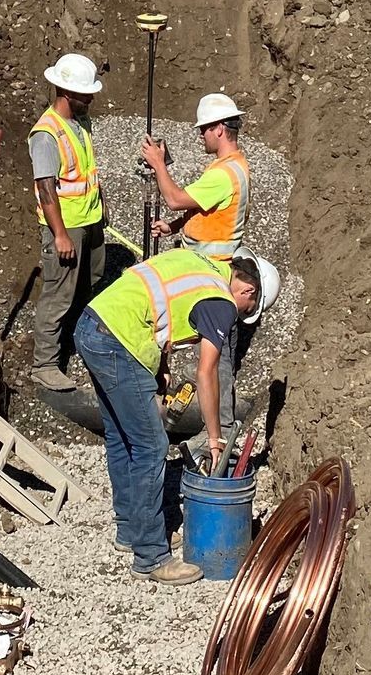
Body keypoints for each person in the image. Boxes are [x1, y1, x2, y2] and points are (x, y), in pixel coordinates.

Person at [74, 248, 264, 584]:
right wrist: (216, 437)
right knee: (151, 446)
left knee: (121, 435)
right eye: (248, 311)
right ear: (247, 292)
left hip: (93, 324)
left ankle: (132, 531)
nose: (242, 317)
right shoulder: (220, 301)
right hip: (119, 340)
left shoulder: (202, 264)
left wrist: (159, 367)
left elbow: (158, 306)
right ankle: (151, 556)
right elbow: (207, 374)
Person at [29, 52, 107, 391]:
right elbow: (47, 191)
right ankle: (44, 364)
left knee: (89, 284)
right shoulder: (46, 134)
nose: (90, 98)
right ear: (65, 92)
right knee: (59, 294)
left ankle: (76, 342)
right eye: (85, 93)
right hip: (67, 227)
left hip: (90, 221)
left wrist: (101, 206)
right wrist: (60, 234)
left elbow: (86, 172)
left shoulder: (79, 123)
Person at [141, 93, 250, 270]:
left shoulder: (222, 175)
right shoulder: (235, 164)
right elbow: (205, 209)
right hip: (208, 263)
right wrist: (173, 227)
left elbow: (175, 200)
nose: (201, 135)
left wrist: (158, 163)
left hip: (208, 266)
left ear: (219, 129)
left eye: (204, 128)